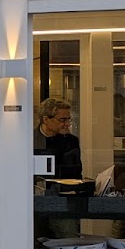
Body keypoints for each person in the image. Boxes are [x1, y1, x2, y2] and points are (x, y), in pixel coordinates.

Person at [34, 98, 83, 239]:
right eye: (62, 120)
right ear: (46, 119)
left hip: (62, 202)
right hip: (33, 202)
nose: (67, 124)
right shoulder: (28, 140)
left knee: (69, 239)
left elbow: (75, 173)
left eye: (69, 120)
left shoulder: (71, 141)